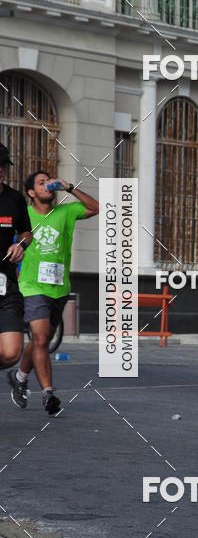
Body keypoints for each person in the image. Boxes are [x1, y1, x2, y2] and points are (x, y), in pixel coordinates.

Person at [7, 171, 99, 415]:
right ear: (30, 193)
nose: (47, 184)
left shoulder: (65, 212)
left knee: (44, 339)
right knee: (39, 338)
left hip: (59, 289)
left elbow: (96, 207)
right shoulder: (23, 215)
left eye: (49, 180)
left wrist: (69, 187)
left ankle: (19, 376)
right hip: (31, 286)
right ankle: (48, 393)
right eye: (40, 182)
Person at [0, 143, 32, 376]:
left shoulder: (15, 199)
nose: (0, 170)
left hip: (6, 284)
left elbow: (26, 233)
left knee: (11, 352)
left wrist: (20, 245)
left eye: (3, 166)